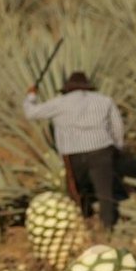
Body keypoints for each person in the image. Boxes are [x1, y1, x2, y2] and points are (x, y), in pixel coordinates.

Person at [23, 69, 125, 230]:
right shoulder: (105, 101)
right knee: (105, 191)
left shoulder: (59, 103)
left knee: (78, 190)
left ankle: (84, 220)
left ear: (68, 88)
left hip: (73, 154)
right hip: (101, 150)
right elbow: (117, 126)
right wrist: (117, 147)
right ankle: (107, 226)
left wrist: (31, 96)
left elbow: (31, 113)